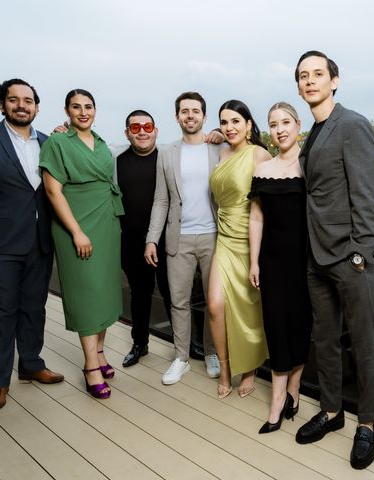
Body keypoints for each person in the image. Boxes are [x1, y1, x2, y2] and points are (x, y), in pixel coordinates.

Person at [293, 51, 374, 469]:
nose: (310, 81)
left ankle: (367, 424)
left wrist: (362, 255)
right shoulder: (314, 132)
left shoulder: (352, 125)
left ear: (335, 81)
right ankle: (331, 411)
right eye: (303, 76)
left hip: (350, 258)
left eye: (317, 74)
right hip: (316, 258)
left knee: (362, 345)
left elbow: (366, 197)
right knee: (324, 341)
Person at [0, 79, 64, 412]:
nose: (22, 105)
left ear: (37, 106)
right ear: (2, 105)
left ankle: (31, 364)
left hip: (39, 243)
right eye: (14, 99)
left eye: (28, 100)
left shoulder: (50, 142)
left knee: (33, 308)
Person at [40, 89, 124, 399]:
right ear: (67, 111)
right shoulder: (57, 142)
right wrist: (76, 231)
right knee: (86, 294)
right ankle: (90, 366)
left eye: (88, 106)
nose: (83, 112)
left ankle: (100, 353)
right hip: (77, 225)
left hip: (105, 223)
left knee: (103, 291)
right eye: (76, 107)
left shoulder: (102, 143)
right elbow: (53, 192)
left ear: (95, 110)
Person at [145, 92, 224, 384]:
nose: (190, 115)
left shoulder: (220, 147)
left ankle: (212, 352)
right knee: (179, 301)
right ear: (177, 116)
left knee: (214, 301)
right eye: (184, 111)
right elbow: (161, 200)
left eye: (195, 111)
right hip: (178, 238)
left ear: (204, 116)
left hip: (215, 237)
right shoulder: (166, 152)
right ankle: (181, 358)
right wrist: (152, 239)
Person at [248, 102, 311, 433]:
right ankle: (276, 401)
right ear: (269, 132)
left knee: (300, 326)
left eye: (286, 122)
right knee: (275, 327)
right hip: (271, 262)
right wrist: (253, 261)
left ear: (298, 125)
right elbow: (256, 217)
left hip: (305, 263)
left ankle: (293, 390)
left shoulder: (311, 166)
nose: (280, 129)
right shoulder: (263, 169)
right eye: (274, 124)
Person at [208, 99, 271, 399]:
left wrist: (258, 256)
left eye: (235, 121)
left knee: (249, 309)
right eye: (224, 121)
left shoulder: (259, 154)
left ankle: (250, 369)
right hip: (224, 240)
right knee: (215, 306)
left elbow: (266, 205)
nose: (229, 127)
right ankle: (224, 368)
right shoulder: (220, 152)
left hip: (250, 240)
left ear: (248, 125)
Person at [116, 110, 172, 368]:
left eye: (147, 126)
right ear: (127, 133)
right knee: (140, 295)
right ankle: (140, 343)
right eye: (135, 127)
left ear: (156, 130)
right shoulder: (116, 161)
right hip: (132, 242)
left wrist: (214, 135)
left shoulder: (168, 157)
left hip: (168, 241)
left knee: (175, 296)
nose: (142, 131)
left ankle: (185, 344)